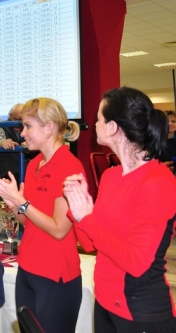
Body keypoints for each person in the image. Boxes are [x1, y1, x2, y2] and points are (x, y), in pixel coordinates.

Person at [64, 87, 176, 332]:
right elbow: (91, 244)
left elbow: (136, 263)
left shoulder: (158, 182)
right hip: (105, 303)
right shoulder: (111, 176)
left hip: (140, 311)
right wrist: (77, 207)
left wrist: (87, 219)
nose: (95, 125)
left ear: (113, 127)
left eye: (98, 119)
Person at [0, 97, 84, 333]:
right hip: (28, 268)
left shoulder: (69, 167)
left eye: (28, 126)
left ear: (49, 127)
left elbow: (59, 229)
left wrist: (21, 202)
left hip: (55, 276)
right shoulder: (35, 164)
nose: (22, 133)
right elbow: (28, 220)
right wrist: (13, 202)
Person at [0, 104, 27, 184]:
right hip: (7, 175)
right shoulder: (2, 126)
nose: (19, 123)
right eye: (16, 119)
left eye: (22, 120)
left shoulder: (29, 127)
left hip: (26, 173)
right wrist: (3, 142)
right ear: (10, 115)